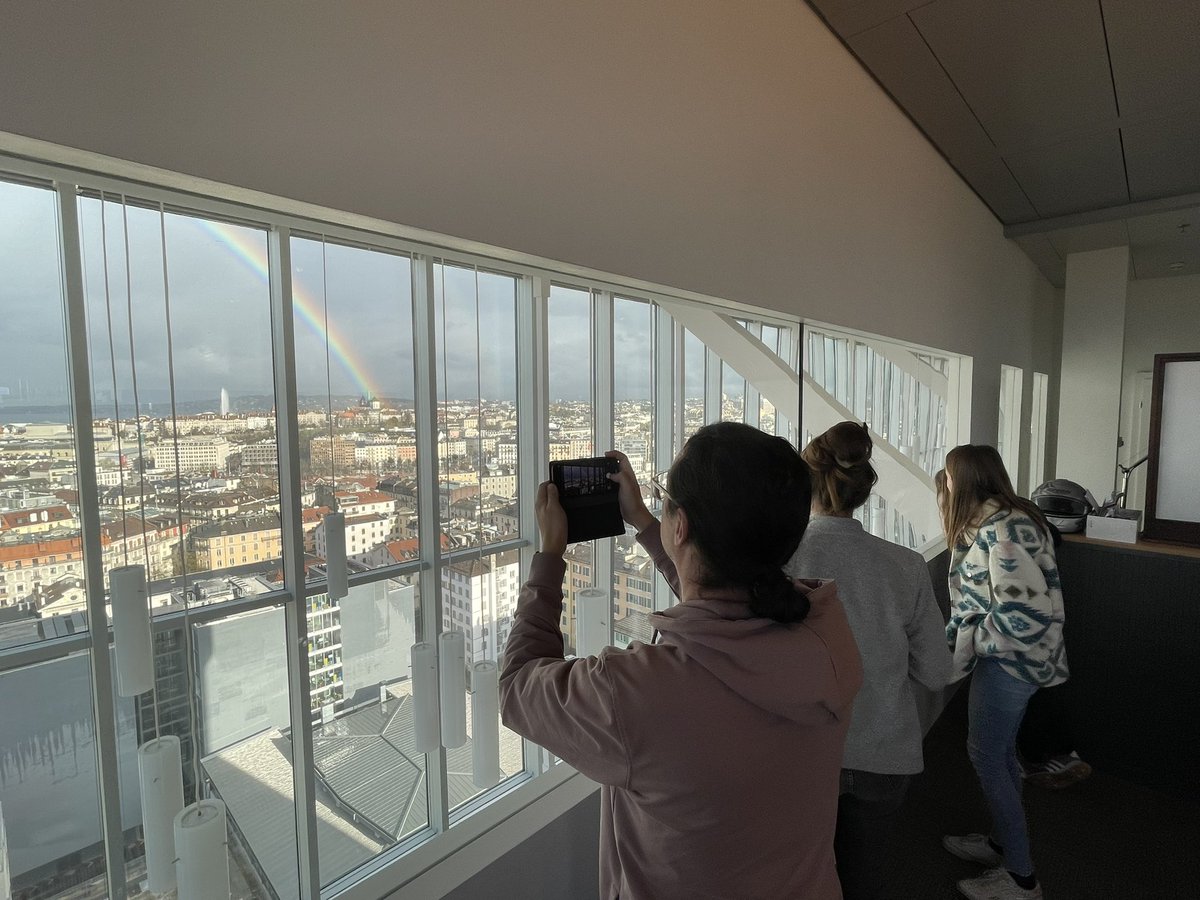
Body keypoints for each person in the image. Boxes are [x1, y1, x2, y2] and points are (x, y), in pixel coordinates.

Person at [500, 422, 863, 900]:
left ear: (682, 524)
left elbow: (517, 685)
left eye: (666, 495)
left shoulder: (635, 692)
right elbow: (723, 606)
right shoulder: (826, 631)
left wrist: (549, 556)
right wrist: (647, 524)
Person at [784, 422, 952, 900]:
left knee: (800, 878)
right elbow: (937, 672)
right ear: (863, 490)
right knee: (864, 878)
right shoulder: (906, 565)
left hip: (805, 755)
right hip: (885, 754)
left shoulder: (783, 562)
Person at [938, 445, 1068, 900]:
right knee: (1002, 753)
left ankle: (1021, 877)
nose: (944, 482)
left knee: (988, 757)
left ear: (966, 481)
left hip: (1010, 663)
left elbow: (1024, 618)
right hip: (1018, 661)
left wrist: (972, 642)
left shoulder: (1004, 530)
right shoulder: (1006, 518)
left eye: (948, 476)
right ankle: (1001, 843)